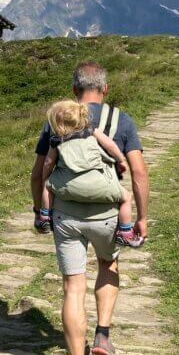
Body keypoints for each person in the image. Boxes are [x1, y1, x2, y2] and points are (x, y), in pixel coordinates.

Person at [30, 62, 148, 355]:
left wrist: (41, 210)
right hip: (108, 213)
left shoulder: (58, 121)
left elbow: (40, 171)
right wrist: (141, 216)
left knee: (72, 287)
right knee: (108, 265)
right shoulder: (120, 121)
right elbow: (138, 171)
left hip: (66, 216)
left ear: (74, 90)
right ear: (105, 89)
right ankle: (103, 334)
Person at [39, 99, 144, 247]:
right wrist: (121, 160)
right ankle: (125, 231)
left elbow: (48, 163)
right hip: (99, 184)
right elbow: (110, 145)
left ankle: (44, 216)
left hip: (68, 186)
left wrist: (46, 178)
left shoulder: (56, 140)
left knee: (47, 187)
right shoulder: (91, 131)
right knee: (126, 197)